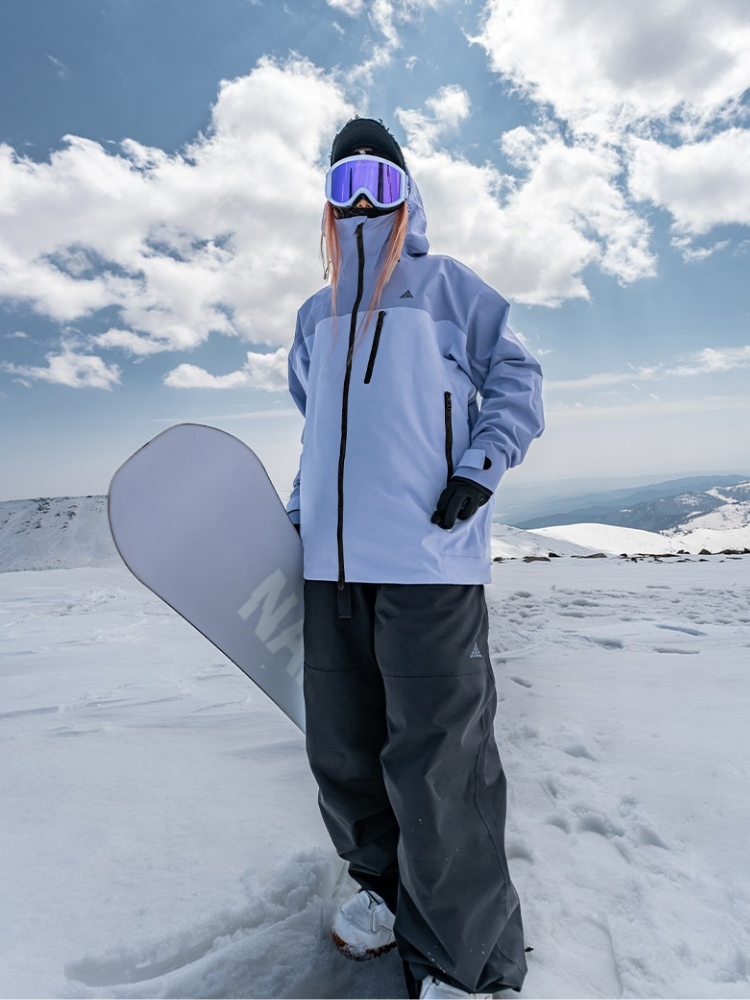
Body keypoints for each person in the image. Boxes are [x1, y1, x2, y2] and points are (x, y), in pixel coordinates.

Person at [286, 117, 544, 1000]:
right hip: (331, 569)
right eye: (346, 182)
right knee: (344, 749)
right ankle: (385, 889)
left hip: (429, 560)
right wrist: (299, 514)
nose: (363, 199)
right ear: (328, 201)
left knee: (439, 761)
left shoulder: (448, 288)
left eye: (381, 181)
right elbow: (318, 433)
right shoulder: (315, 316)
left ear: (408, 193)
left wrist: (480, 464)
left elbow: (518, 378)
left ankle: (465, 962)